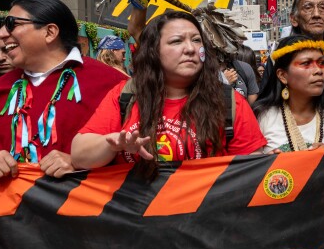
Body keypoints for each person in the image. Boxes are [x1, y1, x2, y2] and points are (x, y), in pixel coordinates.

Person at [72, 12, 266, 177]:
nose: (190, 49)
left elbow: (249, 175)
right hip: (137, 217)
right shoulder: (125, 95)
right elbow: (79, 155)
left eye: (197, 40)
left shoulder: (229, 102)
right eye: (176, 41)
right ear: (153, 51)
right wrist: (113, 145)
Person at [0, 0, 126, 180]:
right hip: (10, 206)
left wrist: (81, 161)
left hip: (85, 205)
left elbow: (134, 152)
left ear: (50, 32)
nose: (1, 34)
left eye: (11, 24)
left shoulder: (112, 83)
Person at [254, 35, 324, 153]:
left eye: (321, 63)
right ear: (282, 76)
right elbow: (252, 168)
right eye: (306, 63)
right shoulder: (262, 116)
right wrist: (268, 164)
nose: (318, 70)